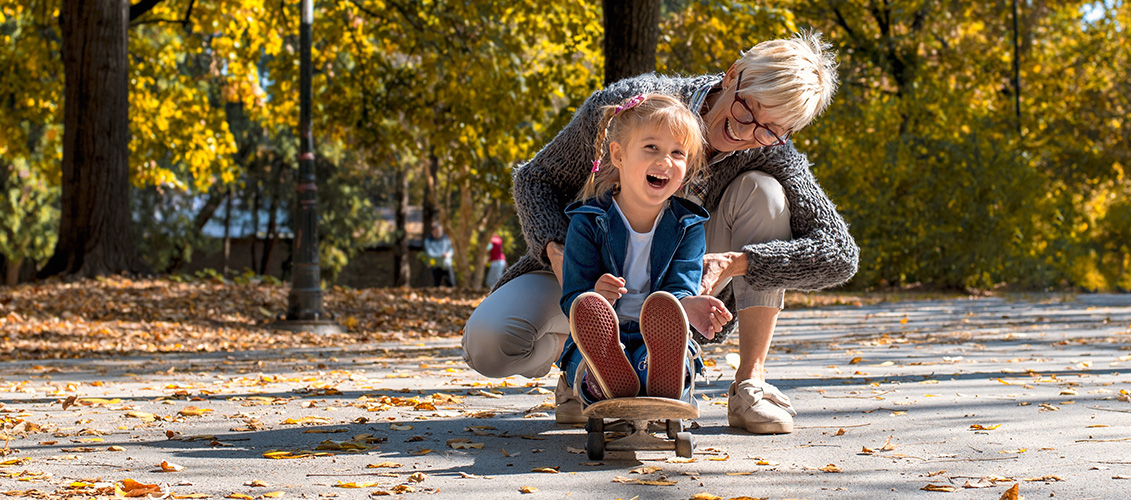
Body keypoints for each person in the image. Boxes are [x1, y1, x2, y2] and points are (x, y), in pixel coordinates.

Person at [463, 31, 858, 434]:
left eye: (771, 129)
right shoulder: (631, 106)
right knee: (490, 345)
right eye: (747, 111)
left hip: (676, 282)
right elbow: (534, 179)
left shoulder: (768, 147)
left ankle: (749, 385)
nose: (746, 133)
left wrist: (737, 263)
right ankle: (582, 364)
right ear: (732, 74)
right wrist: (562, 254)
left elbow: (839, 252)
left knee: (766, 193)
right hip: (584, 266)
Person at [558, 94, 732, 405]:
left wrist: (687, 308)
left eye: (677, 153)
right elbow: (574, 297)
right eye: (651, 147)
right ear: (618, 154)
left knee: (670, 353)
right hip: (600, 339)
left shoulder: (687, 226)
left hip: (658, 339)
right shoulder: (588, 222)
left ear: (687, 165)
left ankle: (657, 373)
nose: (665, 161)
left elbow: (678, 289)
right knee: (584, 356)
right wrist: (595, 294)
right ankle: (601, 379)